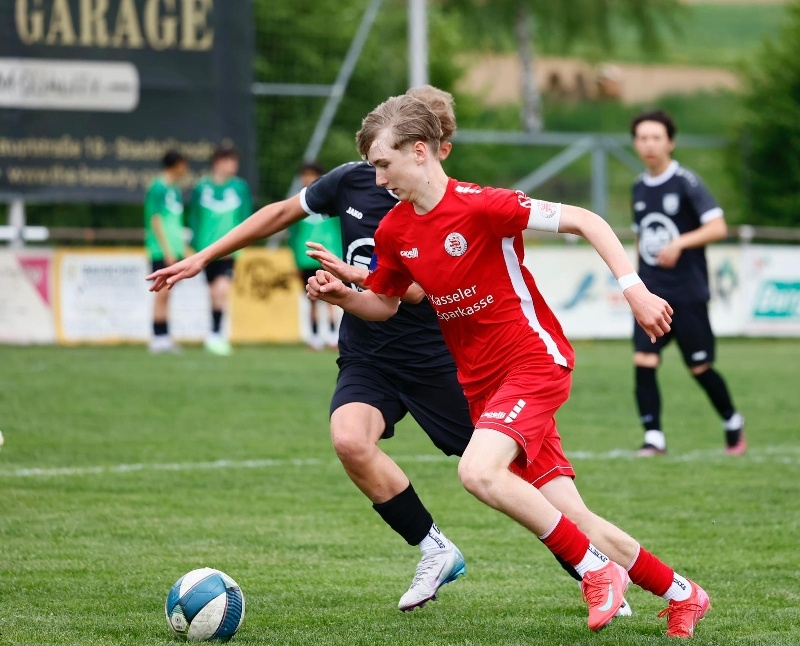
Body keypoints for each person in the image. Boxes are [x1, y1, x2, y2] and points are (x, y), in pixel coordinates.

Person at [147, 86, 627, 617]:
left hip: (438, 360)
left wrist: (353, 279)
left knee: (514, 480)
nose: (382, 174)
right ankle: (434, 548)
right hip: (368, 355)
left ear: (432, 149)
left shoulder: (441, 205)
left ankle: (596, 569)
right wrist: (203, 257)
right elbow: (281, 212)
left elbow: (411, 293)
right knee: (350, 440)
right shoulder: (354, 181)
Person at [306, 95, 710, 638]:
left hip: (533, 360)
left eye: (384, 164)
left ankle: (595, 571)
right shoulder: (395, 231)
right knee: (574, 516)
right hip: (482, 385)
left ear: (420, 151)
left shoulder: (483, 205)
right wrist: (341, 297)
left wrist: (634, 290)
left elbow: (586, 219)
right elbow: (384, 303)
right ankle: (684, 594)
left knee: (477, 472)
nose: (378, 180)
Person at [629, 109, 746, 457]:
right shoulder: (638, 187)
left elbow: (718, 227)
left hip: (688, 294)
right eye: (643, 138)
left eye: (656, 138)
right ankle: (654, 437)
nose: (649, 145)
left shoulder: (686, 182)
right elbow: (641, 239)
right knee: (644, 359)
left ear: (670, 142)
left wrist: (679, 242)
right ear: (635, 143)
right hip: (652, 293)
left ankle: (732, 419)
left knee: (699, 366)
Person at [188, 143, 253, 356]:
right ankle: (214, 334)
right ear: (218, 163)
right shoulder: (201, 187)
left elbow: (247, 217)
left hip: (229, 250)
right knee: (213, 293)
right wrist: (195, 246)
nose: (234, 165)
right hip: (207, 250)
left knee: (221, 290)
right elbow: (194, 217)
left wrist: (240, 243)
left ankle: (217, 334)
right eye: (229, 161)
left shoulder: (240, 187)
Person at [288, 161, 342, 350]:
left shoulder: (332, 202)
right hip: (305, 259)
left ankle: (334, 335)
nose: (308, 178)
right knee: (311, 298)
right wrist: (295, 261)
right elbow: (292, 235)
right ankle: (314, 337)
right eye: (305, 175)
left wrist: (341, 256)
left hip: (329, 256)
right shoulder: (297, 204)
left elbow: (340, 229)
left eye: (311, 174)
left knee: (331, 298)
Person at [144, 149, 189, 354]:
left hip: (175, 250)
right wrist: (166, 250)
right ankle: (157, 337)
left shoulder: (175, 190)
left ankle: (164, 336)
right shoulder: (157, 188)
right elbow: (155, 219)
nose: (186, 168)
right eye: (183, 164)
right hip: (161, 250)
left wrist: (181, 248)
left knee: (168, 294)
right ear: (176, 164)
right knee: (161, 293)